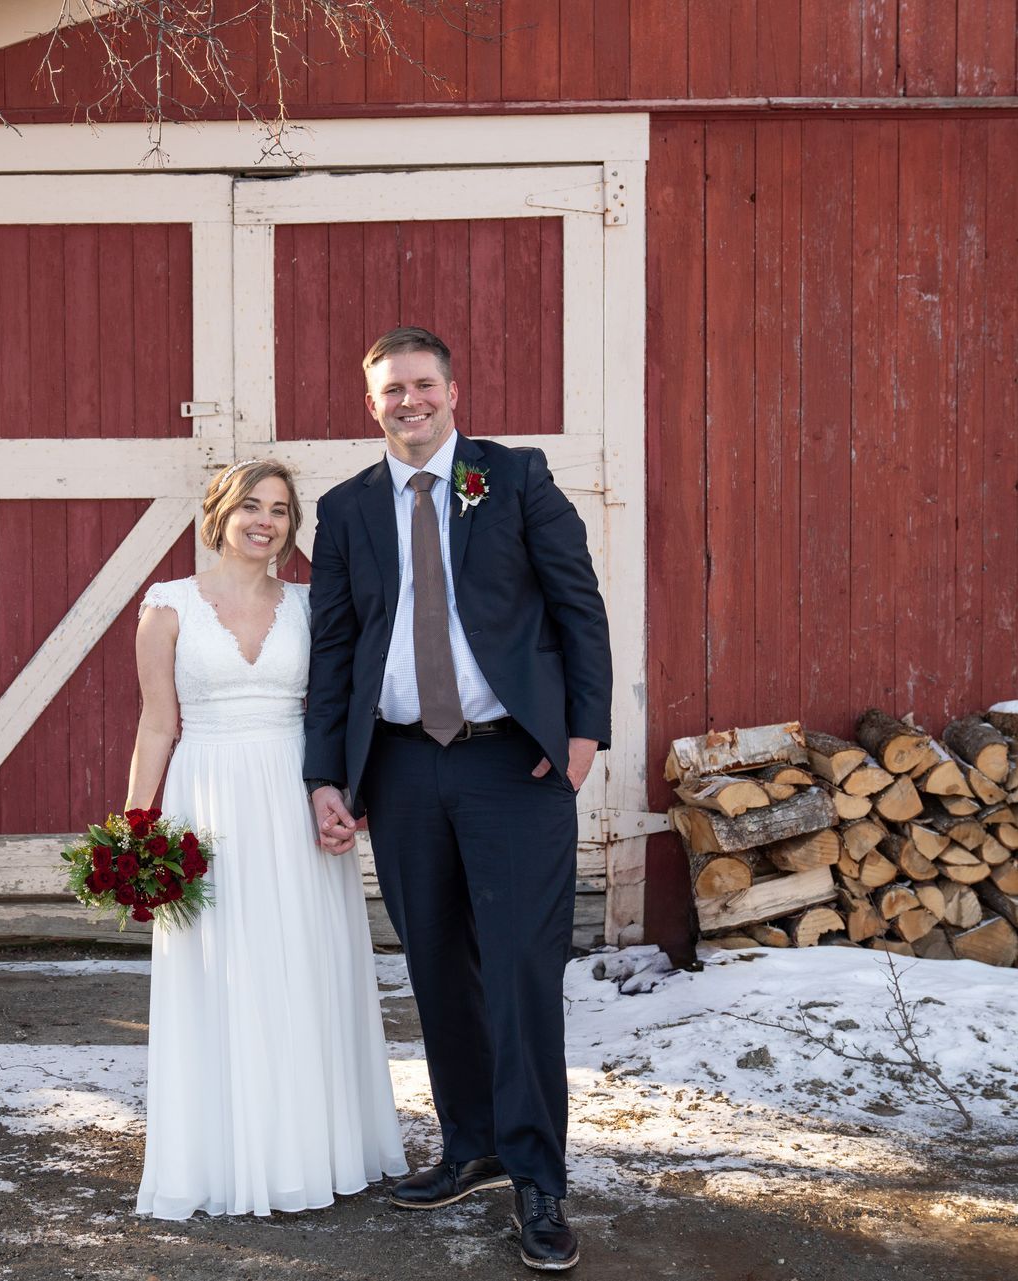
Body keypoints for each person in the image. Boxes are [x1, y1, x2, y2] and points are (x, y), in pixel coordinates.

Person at [304, 326, 612, 1272]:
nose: (409, 400)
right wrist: (327, 773)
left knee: (521, 971)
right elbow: (336, 647)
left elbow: (578, 606)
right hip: (399, 769)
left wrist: (582, 732)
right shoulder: (347, 507)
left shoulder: (513, 478)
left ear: (452, 388)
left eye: (423, 383)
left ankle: (538, 1180)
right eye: (391, 388)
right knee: (437, 966)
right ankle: (470, 1142)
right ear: (371, 402)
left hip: (510, 765)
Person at [128, 458, 408, 1220]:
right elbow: (158, 724)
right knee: (220, 970)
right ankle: (226, 1151)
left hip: (293, 792)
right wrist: (137, 833)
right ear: (219, 511)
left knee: (304, 962)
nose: (266, 521)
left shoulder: (314, 605)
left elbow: (343, 708)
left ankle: (312, 1146)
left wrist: (352, 795)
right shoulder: (169, 607)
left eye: (281, 510)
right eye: (252, 505)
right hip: (207, 796)